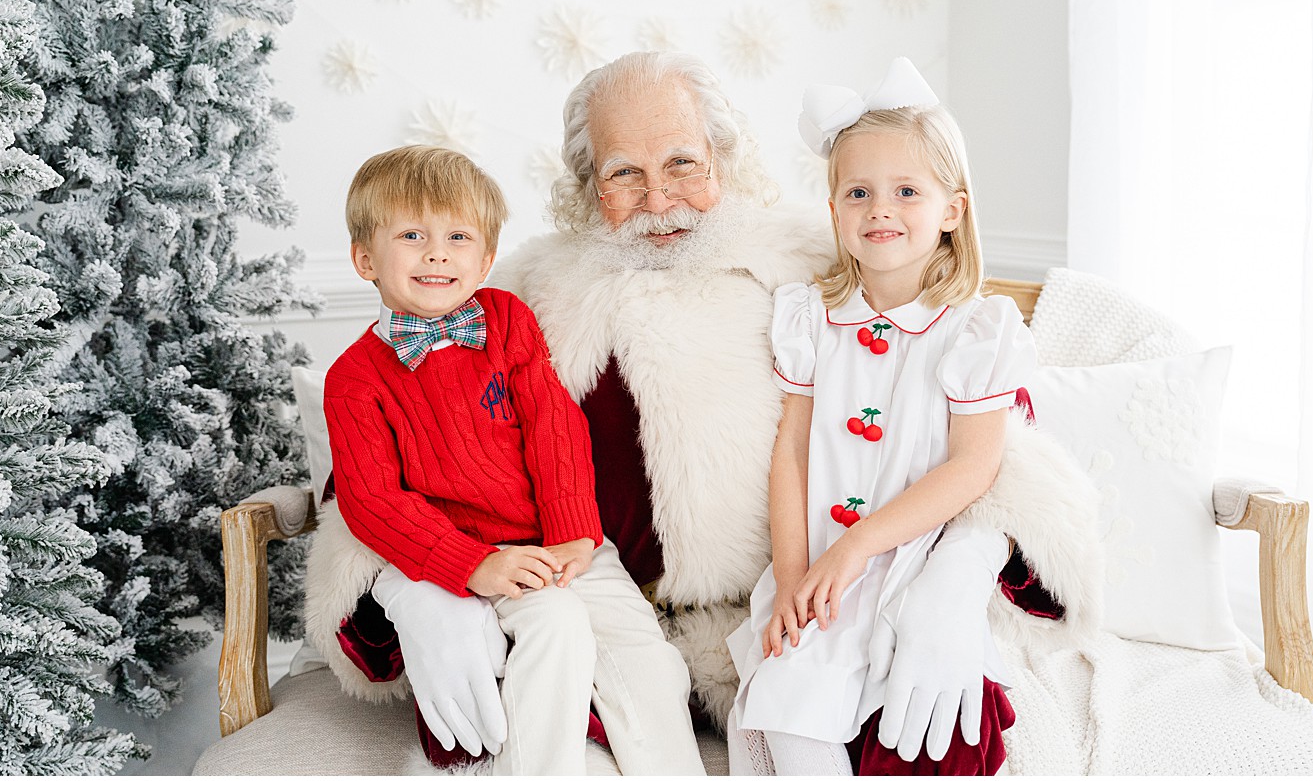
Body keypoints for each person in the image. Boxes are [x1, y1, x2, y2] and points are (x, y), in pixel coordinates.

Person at [302, 52, 1098, 773]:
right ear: (586, 187)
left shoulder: (820, 266)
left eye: (683, 162)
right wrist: (421, 591)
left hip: (806, 612)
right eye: (622, 174)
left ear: (724, 159)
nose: (658, 199)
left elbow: (995, 435)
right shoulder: (514, 300)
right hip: (579, 608)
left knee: (931, 748)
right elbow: (379, 468)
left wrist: (959, 578)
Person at [322, 146, 703, 774]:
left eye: (457, 236)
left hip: (565, 540)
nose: (437, 253)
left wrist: (576, 535)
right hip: (478, 556)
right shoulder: (355, 378)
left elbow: (554, 426)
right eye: (411, 235)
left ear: (487, 258)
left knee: (647, 658)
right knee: (555, 632)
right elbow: (371, 502)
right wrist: (473, 565)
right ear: (365, 257)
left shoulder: (508, 320)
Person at [723, 59, 1034, 775]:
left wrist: (855, 549)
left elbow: (973, 465)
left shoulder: (974, 331)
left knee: (909, 717)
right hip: (817, 562)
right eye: (858, 192)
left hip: (906, 561)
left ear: (952, 210)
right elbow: (793, 452)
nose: (879, 210)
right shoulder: (809, 319)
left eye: (905, 191)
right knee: (790, 703)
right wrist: (795, 572)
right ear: (833, 210)